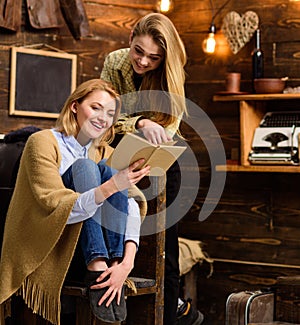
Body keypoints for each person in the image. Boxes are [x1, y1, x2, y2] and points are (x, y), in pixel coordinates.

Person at [0, 79, 150, 324]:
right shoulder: (42, 142)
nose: (103, 118)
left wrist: (126, 263)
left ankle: (110, 266)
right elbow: (56, 208)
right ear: (74, 107)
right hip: (50, 246)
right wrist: (113, 186)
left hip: (103, 256)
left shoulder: (106, 152)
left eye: (111, 113)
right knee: (85, 168)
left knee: (108, 170)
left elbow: (131, 205)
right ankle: (98, 267)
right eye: (96, 108)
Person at [100, 12, 204, 325]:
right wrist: (139, 122)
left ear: (165, 58)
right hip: (122, 158)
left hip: (166, 162)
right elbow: (104, 119)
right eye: (138, 51)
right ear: (129, 41)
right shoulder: (114, 63)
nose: (143, 62)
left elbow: (168, 130)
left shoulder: (172, 75)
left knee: (163, 248)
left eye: (153, 58)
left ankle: (171, 316)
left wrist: (145, 130)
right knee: (122, 237)